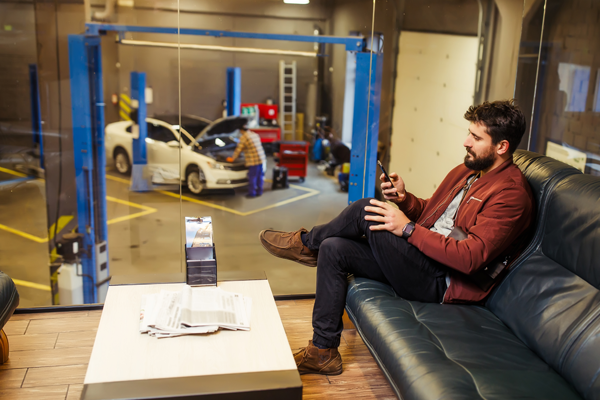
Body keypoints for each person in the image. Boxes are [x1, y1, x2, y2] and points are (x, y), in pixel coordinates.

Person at [259, 99, 535, 376]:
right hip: (421, 259)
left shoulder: (510, 195)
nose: (466, 142)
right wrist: (404, 200)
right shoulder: (469, 171)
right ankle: (323, 351)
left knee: (365, 209)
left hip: (442, 280)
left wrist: (407, 229)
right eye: (469, 133)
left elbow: (469, 258)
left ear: (502, 147)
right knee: (334, 248)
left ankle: (306, 245)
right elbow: (432, 215)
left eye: (476, 137)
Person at [226, 119, 266, 198]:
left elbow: (238, 150)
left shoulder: (244, 137)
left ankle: (252, 193)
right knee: (259, 176)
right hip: (261, 158)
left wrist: (232, 158)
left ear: (241, 130)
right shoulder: (254, 134)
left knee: (252, 177)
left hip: (254, 161)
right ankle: (259, 191)